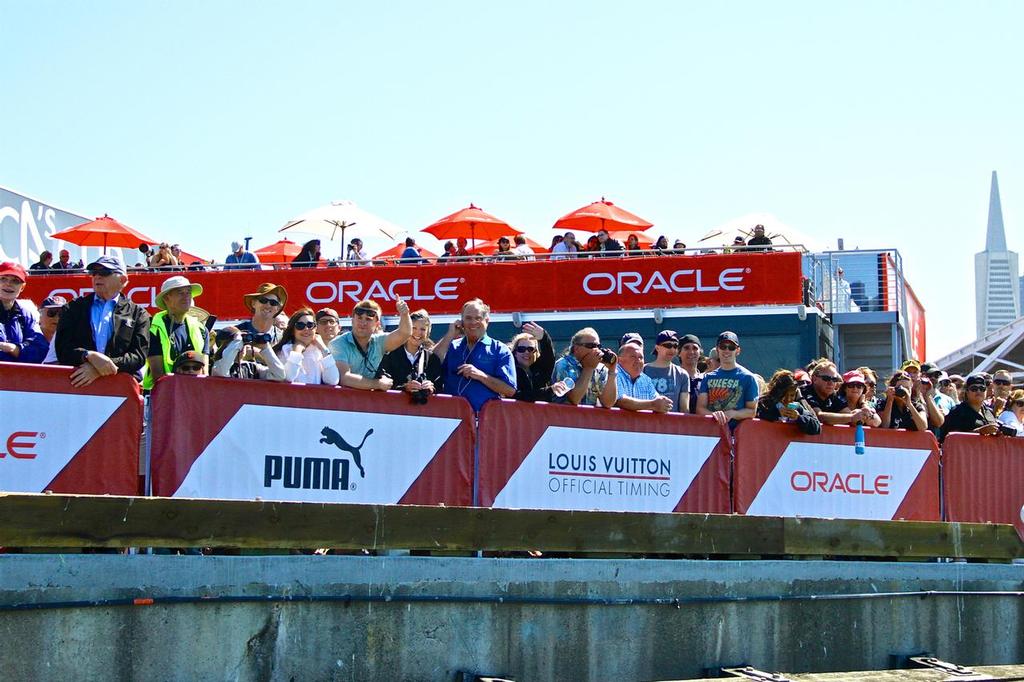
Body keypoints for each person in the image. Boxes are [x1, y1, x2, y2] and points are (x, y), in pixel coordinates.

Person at [55, 255, 151, 386]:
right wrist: (88, 356)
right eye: (94, 272)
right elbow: (62, 349)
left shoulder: (138, 314)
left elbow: (138, 356)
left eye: (105, 272)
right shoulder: (73, 308)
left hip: (120, 390)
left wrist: (101, 367)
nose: (97, 276)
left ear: (122, 280)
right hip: (78, 387)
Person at [434, 298, 516, 411]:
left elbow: (509, 389)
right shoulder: (451, 346)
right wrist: (450, 334)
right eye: (468, 318)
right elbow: (431, 363)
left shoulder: (500, 350)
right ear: (461, 321)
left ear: (487, 321)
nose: (473, 322)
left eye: (478, 318)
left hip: (484, 421)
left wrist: (480, 375)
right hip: (451, 418)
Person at [144, 275, 210, 389]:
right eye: (180, 292)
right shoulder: (152, 328)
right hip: (162, 396)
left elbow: (204, 372)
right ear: (166, 298)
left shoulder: (201, 329)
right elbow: (158, 376)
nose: (186, 297)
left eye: (188, 292)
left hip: (194, 394)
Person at [331, 298, 411, 390]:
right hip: (340, 402)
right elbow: (344, 378)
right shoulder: (338, 343)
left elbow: (405, 333)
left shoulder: (379, 342)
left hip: (368, 402)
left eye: (368, 319)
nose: (363, 323)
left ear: (377, 324)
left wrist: (404, 314)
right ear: (352, 321)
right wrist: (377, 384)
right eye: (359, 318)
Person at [696, 331, 759, 429]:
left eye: (731, 347)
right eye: (723, 346)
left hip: (737, 436)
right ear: (717, 349)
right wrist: (714, 415)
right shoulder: (708, 377)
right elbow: (700, 409)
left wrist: (733, 414)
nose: (727, 350)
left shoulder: (748, 377)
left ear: (738, 351)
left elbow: (752, 411)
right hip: (712, 434)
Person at [379, 309, 444, 397]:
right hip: (394, 408)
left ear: (428, 333)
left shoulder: (432, 359)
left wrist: (431, 388)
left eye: (423, 329)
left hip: (423, 409)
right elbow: (382, 384)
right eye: (414, 328)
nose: (418, 332)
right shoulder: (390, 355)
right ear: (407, 329)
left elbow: (440, 387)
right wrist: (404, 387)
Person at [549, 327, 617, 408]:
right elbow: (574, 400)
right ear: (576, 348)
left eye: (598, 346)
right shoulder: (563, 364)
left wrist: (612, 371)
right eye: (591, 346)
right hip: (563, 417)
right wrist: (588, 368)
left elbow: (608, 403)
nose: (596, 349)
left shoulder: (599, 368)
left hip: (589, 419)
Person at [273, 308, 339, 385]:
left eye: (310, 325)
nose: (306, 329)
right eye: (300, 325)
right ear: (292, 330)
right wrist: (297, 352)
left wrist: (323, 348)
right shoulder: (283, 350)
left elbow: (333, 380)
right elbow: (288, 377)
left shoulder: (320, 352)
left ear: (315, 329)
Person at [0, 262, 48, 363]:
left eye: (15, 281)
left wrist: (14, 348)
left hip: (16, 377)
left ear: (22, 287)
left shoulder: (26, 315)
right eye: (3, 279)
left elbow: (41, 350)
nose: (8, 284)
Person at [803, 362, 875, 426]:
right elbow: (818, 416)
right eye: (826, 378)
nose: (831, 383)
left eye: (834, 379)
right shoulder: (805, 391)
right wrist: (852, 417)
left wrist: (861, 412)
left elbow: (850, 416)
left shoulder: (833, 395)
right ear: (815, 379)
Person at [940, 374, 1007, 442]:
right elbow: (951, 439)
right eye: (974, 389)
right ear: (966, 391)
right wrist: (979, 432)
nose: (978, 391)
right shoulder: (957, 412)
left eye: (982, 388)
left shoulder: (989, 412)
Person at [756, 370, 821, 434]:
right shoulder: (764, 403)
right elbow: (757, 414)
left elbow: (817, 427)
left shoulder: (795, 406)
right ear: (777, 392)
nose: (788, 399)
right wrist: (777, 412)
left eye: (792, 395)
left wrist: (798, 418)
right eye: (784, 395)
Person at [615, 343, 672, 413]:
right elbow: (620, 401)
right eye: (633, 357)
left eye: (641, 357)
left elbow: (656, 400)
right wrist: (652, 404)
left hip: (642, 424)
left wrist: (663, 404)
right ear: (619, 360)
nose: (638, 361)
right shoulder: (613, 374)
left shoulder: (646, 380)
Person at [211, 326, 284, 380]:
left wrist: (265, 348)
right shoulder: (216, 367)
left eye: (243, 344)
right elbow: (222, 372)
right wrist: (237, 341)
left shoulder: (251, 368)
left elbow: (279, 375)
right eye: (239, 344)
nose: (242, 347)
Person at [643, 330, 690, 412]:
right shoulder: (643, 370)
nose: (672, 349)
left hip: (672, 423)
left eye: (675, 346)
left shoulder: (682, 374)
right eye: (668, 345)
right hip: (646, 423)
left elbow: (684, 409)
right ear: (657, 348)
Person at [508, 322, 555, 402]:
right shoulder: (509, 371)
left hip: (542, 413)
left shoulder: (541, 369)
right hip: (517, 413)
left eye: (530, 349)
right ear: (515, 353)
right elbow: (520, 396)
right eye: (521, 349)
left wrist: (544, 337)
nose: (526, 352)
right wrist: (550, 390)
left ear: (536, 352)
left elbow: (549, 357)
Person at [239, 282, 288, 354]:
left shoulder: (283, 338)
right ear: (253, 303)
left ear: (278, 308)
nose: (268, 305)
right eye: (263, 300)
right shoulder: (237, 332)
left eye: (273, 303)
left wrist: (257, 353)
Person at [678, 333, 704, 414]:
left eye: (695, 348)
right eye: (686, 348)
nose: (691, 352)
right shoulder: (674, 377)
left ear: (700, 353)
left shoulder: (705, 380)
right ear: (679, 352)